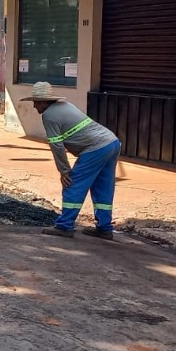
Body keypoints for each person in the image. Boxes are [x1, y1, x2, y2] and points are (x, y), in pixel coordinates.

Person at [21, 81, 122, 240]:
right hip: (112, 143)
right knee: (103, 187)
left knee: (72, 184)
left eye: (35, 102)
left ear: (43, 102)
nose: (34, 107)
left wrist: (64, 171)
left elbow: (57, 146)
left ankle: (64, 226)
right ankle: (104, 228)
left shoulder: (49, 115)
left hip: (94, 148)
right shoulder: (65, 106)